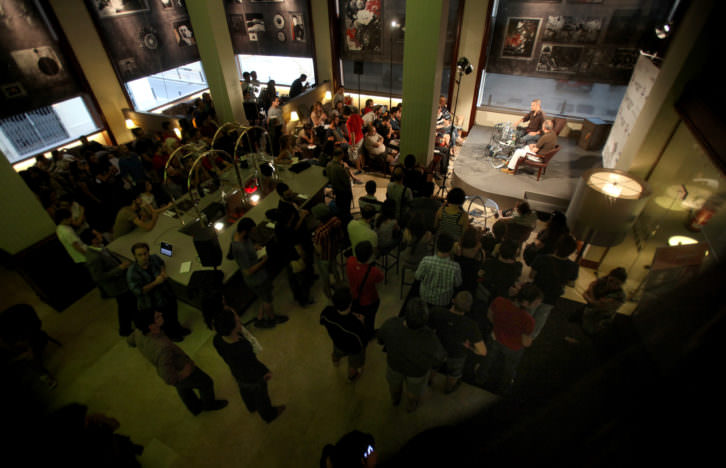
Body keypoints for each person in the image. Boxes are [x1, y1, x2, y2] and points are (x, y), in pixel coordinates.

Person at [128, 310, 227, 415]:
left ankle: (195, 408)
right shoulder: (163, 347)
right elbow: (168, 376)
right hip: (181, 369)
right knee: (206, 382)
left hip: (174, 371)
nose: (161, 314)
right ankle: (209, 405)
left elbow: (130, 341)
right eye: (157, 317)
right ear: (152, 327)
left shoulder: (138, 332)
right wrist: (182, 374)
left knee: (183, 389)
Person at [212, 306, 285, 423]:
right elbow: (253, 363)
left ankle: (251, 407)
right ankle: (269, 415)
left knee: (244, 390)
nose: (239, 319)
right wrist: (265, 371)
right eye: (236, 319)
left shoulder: (217, 340)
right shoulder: (243, 346)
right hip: (254, 378)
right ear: (234, 327)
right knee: (262, 398)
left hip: (237, 374)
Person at [377, 298, 446, 412]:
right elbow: (439, 359)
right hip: (417, 373)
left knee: (394, 386)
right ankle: (411, 406)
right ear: (425, 319)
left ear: (406, 313)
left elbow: (380, 340)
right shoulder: (430, 338)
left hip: (394, 365)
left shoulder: (391, 323)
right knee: (413, 392)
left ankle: (395, 400)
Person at [476, 283, 542, 394]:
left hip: (495, 338)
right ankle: (504, 386)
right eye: (536, 303)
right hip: (514, 347)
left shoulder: (499, 301)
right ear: (526, 302)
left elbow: (489, 316)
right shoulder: (528, 320)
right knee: (509, 367)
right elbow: (525, 343)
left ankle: (480, 378)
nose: (538, 305)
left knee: (487, 360)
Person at [228, 218, 288, 329]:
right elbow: (248, 271)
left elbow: (248, 245)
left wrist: (254, 247)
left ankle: (260, 317)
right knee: (267, 299)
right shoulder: (240, 249)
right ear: (245, 231)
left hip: (259, 277)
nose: (253, 233)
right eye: (252, 231)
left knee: (263, 296)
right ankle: (272, 318)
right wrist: (264, 260)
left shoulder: (237, 234)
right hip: (257, 279)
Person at [126, 242, 190, 341]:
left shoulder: (153, 258)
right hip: (153, 302)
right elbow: (138, 291)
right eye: (140, 255)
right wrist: (155, 283)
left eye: (145, 253)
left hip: (166, 294)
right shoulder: (132, 272)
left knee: (173, 314)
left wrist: (163, 272)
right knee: (163, 321)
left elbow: (161, 263)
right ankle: (172, 335)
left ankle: (178, 328)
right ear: (134, 256)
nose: (144, 257)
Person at [428, 291, 486, 393]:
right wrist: (470, 347)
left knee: (433, 365)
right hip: (457, 353)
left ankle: (429, 380)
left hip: (439, 346)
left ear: (453, 301)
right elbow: (482, 351)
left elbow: (428, 330)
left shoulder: (437, 312)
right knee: (453, 374)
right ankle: (448, 389)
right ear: (468, 308)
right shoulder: (471, 325)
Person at [81, 229, 136, 337]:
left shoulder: (99, 247)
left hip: (121, 282)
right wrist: (119, 268)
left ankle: (129, 325)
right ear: (93, 240)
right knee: (125, 306)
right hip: (117, 286)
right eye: (97, 234)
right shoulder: (94, 258)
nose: (100, 234)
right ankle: (126, 329)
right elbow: (99, 277)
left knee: (126, 305)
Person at [529, 234, 579, 339]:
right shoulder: (574, 267)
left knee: (528, 312)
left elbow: (531, 275)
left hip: (536, 291)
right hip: (552, 295)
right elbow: (571, 283)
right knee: (542, 316)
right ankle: (531, 337)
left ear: (557, 246)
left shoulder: (541, 259)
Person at [320, 286, 369, 383]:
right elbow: (362, 342)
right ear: (350, 304)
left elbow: (322, 320)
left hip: (337, 342)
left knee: (336, 352)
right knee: (354, 364)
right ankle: (352, 376)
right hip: (352, 349)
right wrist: (362, 322)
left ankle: (335, 361)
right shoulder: (355, 325)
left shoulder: (327, 312)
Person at [347, 241, 384, 339]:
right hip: (369, 300)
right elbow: (380, 278)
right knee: (369, 319)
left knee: (358, 316)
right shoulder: (373, 271)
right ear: (370, 256)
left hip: (354, 296)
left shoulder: (350, 261)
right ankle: (369, 334)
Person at [415, 234, 462, 308]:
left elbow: (417, 276)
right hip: (443, 301)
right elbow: (458, 284)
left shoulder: (426, 260)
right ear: (451, 248)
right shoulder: (455, 267)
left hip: (424, 297)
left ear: (437, 246)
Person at [581, 267, 627, 337]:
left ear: (622, 284)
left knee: (593, 335)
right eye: (611, 281)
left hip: (601, 319)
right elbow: (584, 294)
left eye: (617, 284)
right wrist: (591, 296)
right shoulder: (602, 282)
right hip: (589, 312)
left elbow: (596, 305)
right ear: (608, 277)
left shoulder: (619, 296)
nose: (612, 285)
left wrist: (591, 289)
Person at [326, 147, 353, 224]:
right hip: (344, 192)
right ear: (341, 155)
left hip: (336, 190)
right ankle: (347, 223)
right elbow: (346, 181)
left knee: (340, 209)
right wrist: (346, 168)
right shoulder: (339, 168)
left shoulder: (328, 165)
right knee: (346, 210)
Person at [345, 106, 365, 174]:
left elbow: (352, 134)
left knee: (355, 155)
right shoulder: (357, 116)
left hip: (356, 140)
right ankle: (363, 167)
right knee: (360, 153)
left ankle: (359, 169)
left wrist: (353, 145)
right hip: (361, 137)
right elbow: (363, 124)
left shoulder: (349, 121)